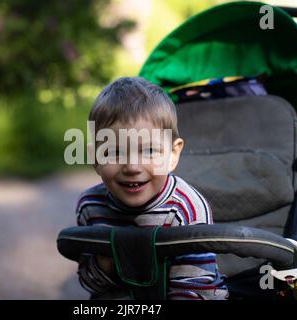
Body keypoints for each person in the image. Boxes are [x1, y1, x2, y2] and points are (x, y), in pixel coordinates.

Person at [76, 76, 228, 300]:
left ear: (172, 155)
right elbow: (90, 283)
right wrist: (105, 261)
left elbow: (197, 290)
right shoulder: (90, 207)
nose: (132, 167)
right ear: (95, 157)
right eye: (115, 152)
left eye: (148, 151)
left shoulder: (186, 208)